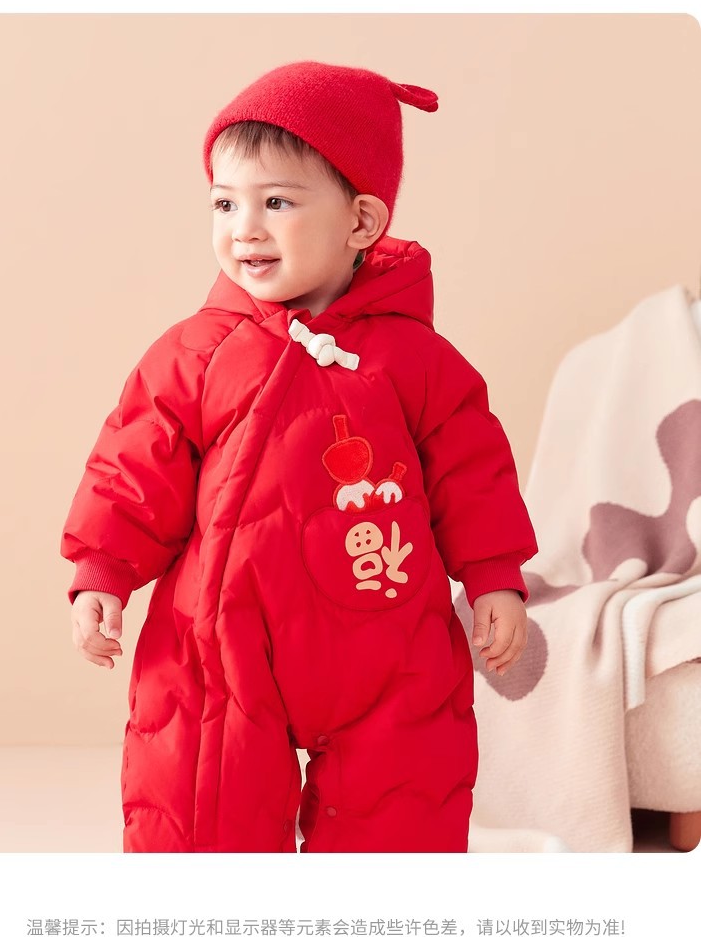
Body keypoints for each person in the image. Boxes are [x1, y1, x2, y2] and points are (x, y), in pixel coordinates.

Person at [60, 60, 538, 853]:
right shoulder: (196, 353)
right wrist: (102, 571)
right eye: (225, 203)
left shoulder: (417, 362)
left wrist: (494, 577)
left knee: (402, 804)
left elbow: (473, 473)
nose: (244, 228)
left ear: (361, 222)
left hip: (387, 641)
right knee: (201, 807)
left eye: (276, 202)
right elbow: (133, 464)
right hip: (220, 640)